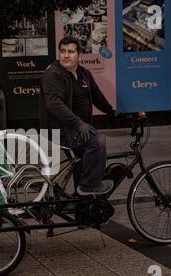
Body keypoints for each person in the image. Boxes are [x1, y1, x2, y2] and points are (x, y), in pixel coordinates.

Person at [40, 36, 116, 196]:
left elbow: (96, 96)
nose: (66, 55)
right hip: (63, 130)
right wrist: (79, 124)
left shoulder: (83, 73)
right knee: (97, 142)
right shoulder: (53, 74)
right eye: (63, 51)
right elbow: (54, 104)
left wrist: (112, 113)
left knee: (87, 163)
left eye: (71, 52)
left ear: (79, 55)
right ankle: (89, 185)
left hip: (77, 129)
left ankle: (82, 204)